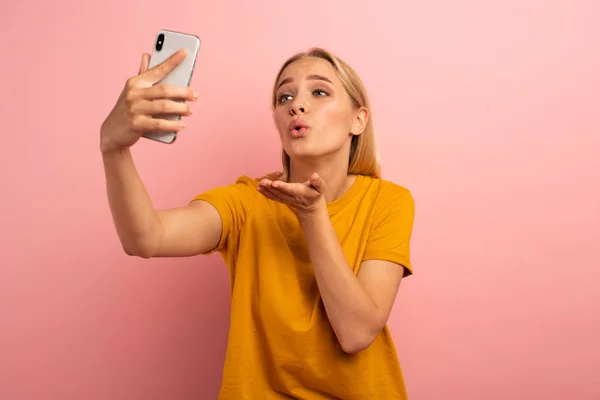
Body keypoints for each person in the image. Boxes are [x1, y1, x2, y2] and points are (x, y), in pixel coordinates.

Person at [100, 46, 416, 399]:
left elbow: (356, 333)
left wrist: (313, 217)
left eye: (319, 91)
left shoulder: (388, 202)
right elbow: (146, 238)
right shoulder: (248, 202)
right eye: (285, 96)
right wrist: (113, 148)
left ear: (358, 120)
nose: (296, 105)